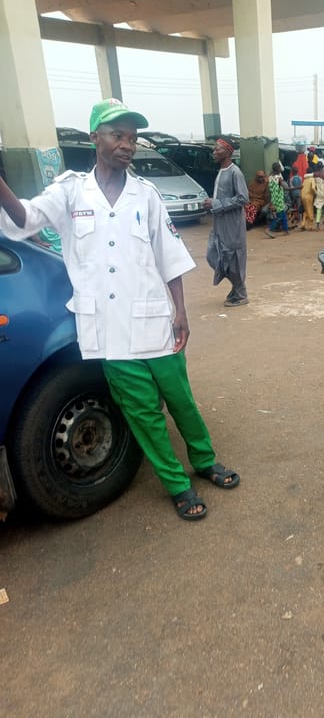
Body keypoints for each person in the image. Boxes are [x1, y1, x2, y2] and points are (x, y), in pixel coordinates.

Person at [0, 98, 240, 521]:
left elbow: (169, 255)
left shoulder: (145, 195)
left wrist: (179, 311)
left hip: (153, 319)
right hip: (107, 329)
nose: (126, 144)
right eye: (117, 135)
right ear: (95, 137)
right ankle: (177, 484)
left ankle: (203, 460)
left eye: (131, 137)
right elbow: (24, 219)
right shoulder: (71, 190)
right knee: (144, 413)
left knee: (180, 399)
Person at [204, 136, 249, 307]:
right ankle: (237, 288)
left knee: (232, 257)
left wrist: (216, 203)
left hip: (232, 224)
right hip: (219, 223)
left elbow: (243, 198)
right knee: (213, 255)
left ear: (227, 152)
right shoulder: (222, 171)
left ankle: (240, 292)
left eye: (217, 149)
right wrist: (212, 203)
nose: (214, 152)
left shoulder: (235, 172)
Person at [265, 162, 289, 237]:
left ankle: (286, 230)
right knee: (279, 217)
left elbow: (269, 190)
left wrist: (270, 202)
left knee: (283, 215)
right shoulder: (278, 178)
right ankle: (269, 229)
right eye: (279, 168)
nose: (280, 170)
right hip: (279, 200)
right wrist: (298, 187)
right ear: (277, 169)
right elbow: (286, 188)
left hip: (274, 199)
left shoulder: (270, 177)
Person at [313, 161, 324, 232]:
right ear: (322, 167)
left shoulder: (314, 175)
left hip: (318, 193)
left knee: (319, 209)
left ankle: (317, 225)